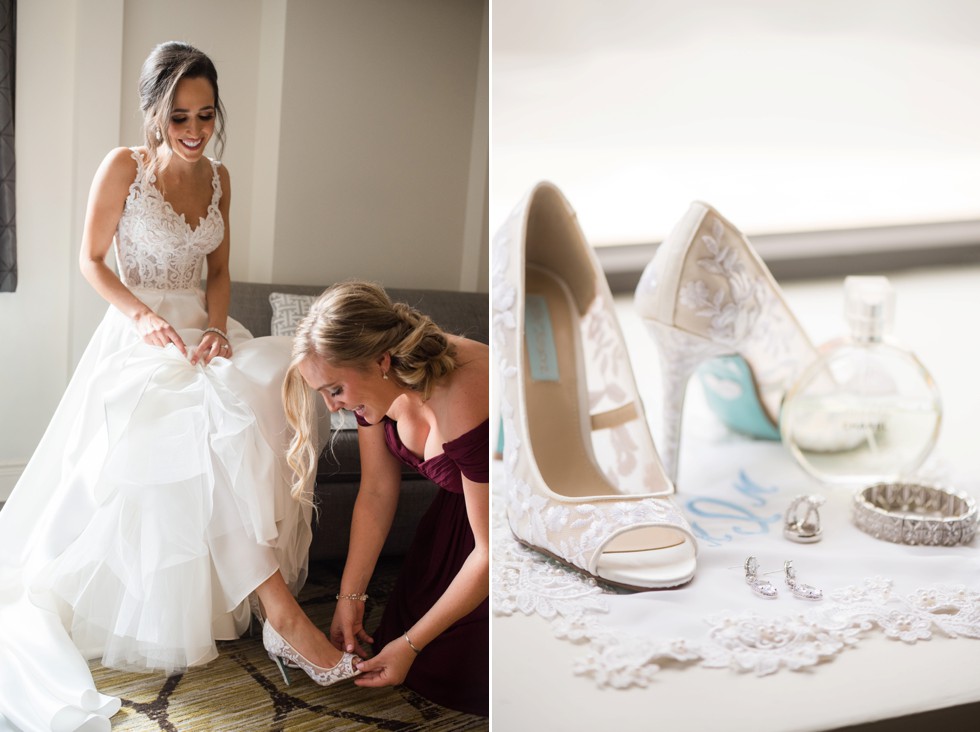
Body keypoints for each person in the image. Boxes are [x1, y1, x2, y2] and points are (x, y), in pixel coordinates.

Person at [0, 41, 355, 732]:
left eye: (206, 116)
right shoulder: (122, 168)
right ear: (154, 114)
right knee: (201, 419)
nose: (194, 133)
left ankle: (271, 607)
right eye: (179, 118)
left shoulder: (219, 176)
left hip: (202, 334)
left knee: (270, 385)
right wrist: (141, 319)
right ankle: (282, 616)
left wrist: (219, 329)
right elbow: (91, 261)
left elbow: (219, 273)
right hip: (138, 338)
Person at [282, 281, 489, 716]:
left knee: (459, 669)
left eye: (335, 389)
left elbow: (493, 550)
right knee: (404, 641)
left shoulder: (467, 390)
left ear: (380, 360)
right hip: (452, 527)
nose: (333, 407)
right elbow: (376, 490)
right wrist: (348, 598)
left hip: (504, 534)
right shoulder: (375, 389)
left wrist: (411, 645)